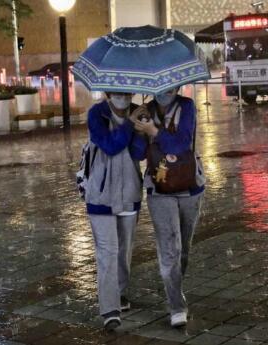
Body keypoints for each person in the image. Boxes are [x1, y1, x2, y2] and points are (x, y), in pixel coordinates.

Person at [133, 88, 205, 328]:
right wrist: (133, 125)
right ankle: (176, 305)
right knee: (170, 249)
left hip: (189, 186)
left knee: (183, 249)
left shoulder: (187, 106)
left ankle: (176, 287)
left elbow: (181, 143)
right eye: (161, 87)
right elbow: (138, 152)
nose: (166, 92)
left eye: (171, 86)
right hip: (158, 188)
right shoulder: (146, 110)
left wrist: (154, 131)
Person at [85, 92, 147, 331]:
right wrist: (130, 124)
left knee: (124, 250)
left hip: (130, 193)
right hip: (101, 196)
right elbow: (110, 146)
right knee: (107, 252)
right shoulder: (96, 113)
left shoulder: (137, 112)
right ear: (109, 92)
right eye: (116, 91)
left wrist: (141, 130)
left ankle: (120, 292)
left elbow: (139, 154)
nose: (121, 96)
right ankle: (110, 309)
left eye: (125, 91)